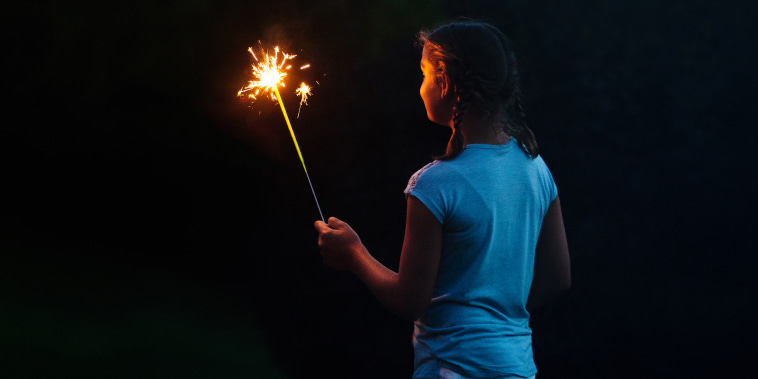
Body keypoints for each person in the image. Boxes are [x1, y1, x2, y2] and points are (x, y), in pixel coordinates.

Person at [314, 21, 571, 379]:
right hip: (517, 368)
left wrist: (355, 254)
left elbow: (409, 300)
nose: (420, 88)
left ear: (445, 82)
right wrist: (493, 318)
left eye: (424, 74)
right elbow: (558, 277)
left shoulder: (434, 183)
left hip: (452, 368)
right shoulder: (536, 168)